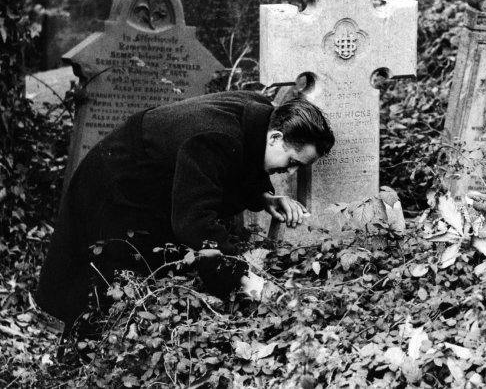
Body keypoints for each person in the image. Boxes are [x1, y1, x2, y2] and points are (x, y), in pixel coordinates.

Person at [35, 91, 335, 327]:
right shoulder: (216, 138)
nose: (291, 173)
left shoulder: (261, 113)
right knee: (106, 283)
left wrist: (265, 198)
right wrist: (245, 278)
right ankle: (79, 358)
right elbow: (195, 224)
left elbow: (237, 162)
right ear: (275, 137)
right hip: (114, 187)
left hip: (147, 182)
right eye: (293, 162)